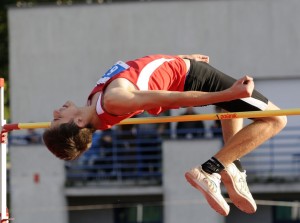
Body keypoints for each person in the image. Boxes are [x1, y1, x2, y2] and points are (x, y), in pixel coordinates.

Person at [42, 54, 287, 216]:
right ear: (79, 121)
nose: (55, 111)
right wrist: (228, 93)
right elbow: (174, 97)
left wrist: (180, 58)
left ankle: (232, 165)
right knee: (277, 119)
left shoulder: (95, 107)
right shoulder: (112, 101)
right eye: (57, 119)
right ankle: (211, 169)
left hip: (187, 70)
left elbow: (143, 72)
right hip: (192, 78)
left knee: (230, 109)